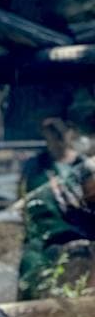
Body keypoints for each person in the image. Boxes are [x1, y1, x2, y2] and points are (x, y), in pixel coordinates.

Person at [18, 124, 95, 298]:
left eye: (60, 134)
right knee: (31, 266)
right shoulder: (36, 166)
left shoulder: (84, 167)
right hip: (43, 237)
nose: (56, 140)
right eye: (51, 135)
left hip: (80, 234)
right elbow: (23, 199)